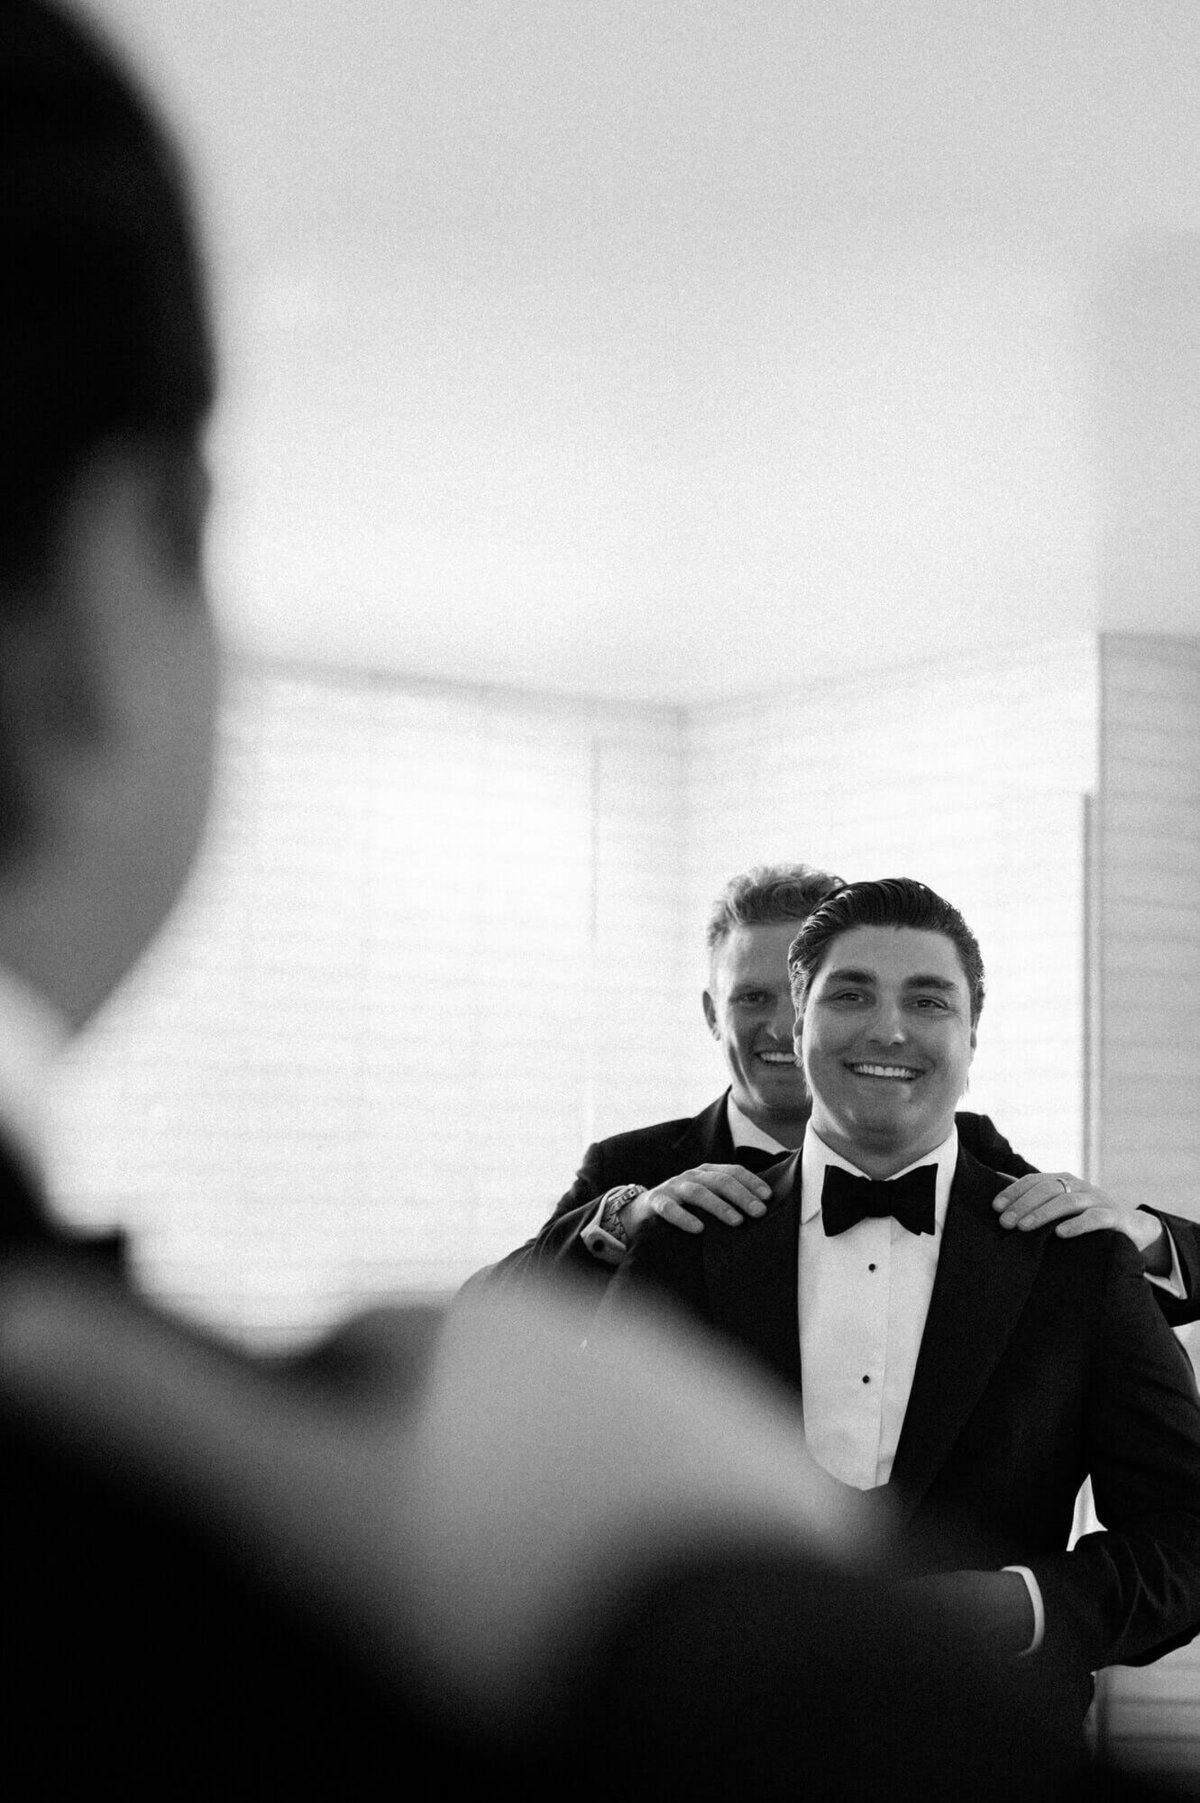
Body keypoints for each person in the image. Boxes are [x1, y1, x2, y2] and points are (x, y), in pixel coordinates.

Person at [0, 11, 1088, 1799]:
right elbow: (495, 1313)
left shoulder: (1034, 1211)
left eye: (907, 1002)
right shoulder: (279, 1500)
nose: (836, 1034)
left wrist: (1018, 1616)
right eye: (790, 1001)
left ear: (968, 1024)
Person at [600, 877, 1200, 1737]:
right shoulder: (682, 1244)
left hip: (994, 1759)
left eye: (928, 1000)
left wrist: (1026, 1606)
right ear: (796, 1024)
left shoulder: (1076, 1261)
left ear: (971, 1036)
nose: (888, 1029)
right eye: (851, 995)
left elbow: (1186, 1532)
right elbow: (591, 1515)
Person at [478, 863, 1200, 1324]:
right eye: (749, 998)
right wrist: (626, 1219)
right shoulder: (632, 1164)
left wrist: (1140, 1234)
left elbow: (1094, 1294)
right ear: (709, 1012)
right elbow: (489, 1323)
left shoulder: (973, 1151)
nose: (776, 1026)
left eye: (812, 997)